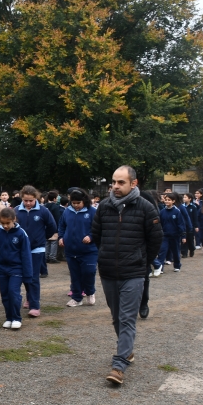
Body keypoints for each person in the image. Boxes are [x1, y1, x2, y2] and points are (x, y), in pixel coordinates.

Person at [91, 165, 162, 386]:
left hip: (134, 273)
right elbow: (97, 236)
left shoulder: (146, 208)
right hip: (109, 272)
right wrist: (106, 256)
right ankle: (128, 351)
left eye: (121, 182)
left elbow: (155, 240)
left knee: (127, 318)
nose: (115, 186)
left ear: (134, 183)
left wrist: (142, 261)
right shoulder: (103, 207)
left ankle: (119, 365)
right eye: (113, 182)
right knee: (116, 317)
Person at [15, 185, 57, 318]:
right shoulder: (16, 211)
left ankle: (34, 305)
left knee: (33, 277)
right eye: (25, 200)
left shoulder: (43, 211)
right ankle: (29, 297)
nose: (28, 203)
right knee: (25, 276)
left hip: (36, 249)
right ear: (22, 198)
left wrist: (42, 238)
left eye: (31, 201)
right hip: (20, 250)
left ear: (36, 199)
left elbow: (52, 226)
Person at [0, 207, 32, 329]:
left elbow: (26, 255)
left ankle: (16, 318)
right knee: (5, 294)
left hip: (16, 269)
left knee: (13, 293)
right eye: (3, 223)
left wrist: (28, 275)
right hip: (2, 268)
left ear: (14, 219)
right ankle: (9, 317)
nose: (5, 226)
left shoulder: (21, 234)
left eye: (8, 223)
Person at [58, 189, 98, 307]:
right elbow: (62, 225)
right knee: (75, 275)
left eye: (78, 203)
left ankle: (90, 292)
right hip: (71, 250)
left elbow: (97, 228)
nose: (75, 205)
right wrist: (61, 237)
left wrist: (91, 237)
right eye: (73, 203)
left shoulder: (92, 212)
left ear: (84, 201)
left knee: (88, 272)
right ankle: (77, 297)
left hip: (89, 250)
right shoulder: (67, 212)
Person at [138, 190, 160, 319]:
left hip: (142, 250)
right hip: (122, 250)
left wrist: (150, 256)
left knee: (143, 279)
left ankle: (143, 303)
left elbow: (156, 234)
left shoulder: (146, 199)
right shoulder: (116, 201)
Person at [156, 193, 186, 273]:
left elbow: (180, 224)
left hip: (175, 236)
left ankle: (177, 265)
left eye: (169, 200)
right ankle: (160, 268)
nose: (167, 201)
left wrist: (183, 235)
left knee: (175, 251)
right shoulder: (162, 212)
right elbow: (160, 223)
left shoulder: (177, 212)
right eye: (166, 200)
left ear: (173, 201)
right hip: (164, 235)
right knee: (162, 251)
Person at [45, 191, 63, 264]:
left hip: (45, 227)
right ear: (55, 198)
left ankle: (46, 256)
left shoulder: (44, 206)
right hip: (54, 226)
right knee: (54, 242)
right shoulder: (55, 207)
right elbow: (57, 218)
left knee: (47, 242)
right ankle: (52, 257)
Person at [181, 193, 199, 258]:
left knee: (190, 239)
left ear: (190, 199)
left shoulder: (193, 207)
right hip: (183, 226)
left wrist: (196, 226)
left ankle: (191, 249)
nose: (184, 198)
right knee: (183, 239)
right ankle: (184, 253)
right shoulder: (182, 206)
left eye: (185, 197)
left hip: (190, 226)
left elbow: (195, 217)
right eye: (183, 197)